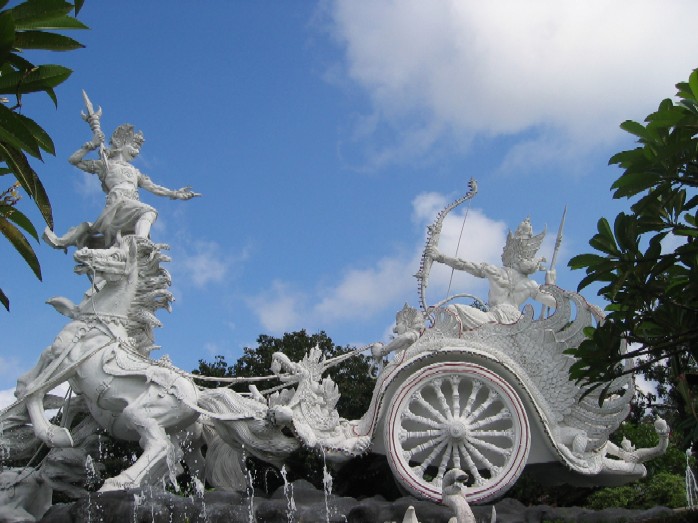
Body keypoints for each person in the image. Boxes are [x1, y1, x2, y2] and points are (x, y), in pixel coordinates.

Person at [44, 124, 199, 250]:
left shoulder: (135, 171)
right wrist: (92, 144)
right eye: (133, 146)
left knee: (146, 215)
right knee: (149, 211)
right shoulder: (106, 165)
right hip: (117, 204)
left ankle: (137, 244)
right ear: (121, 144)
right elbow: (74, 160)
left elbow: (155, 188)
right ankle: (140, 242)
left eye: (138, 149)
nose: (136, 152)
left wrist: (176, 194)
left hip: (131, 204)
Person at [427, 217, 556, 329]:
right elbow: (554, 303)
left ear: (510, 253)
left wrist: (440, 257)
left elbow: (464, 264)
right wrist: (551, 285)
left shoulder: (495, 271)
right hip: (517, 323)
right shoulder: (530, 285)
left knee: (453, 310)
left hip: (493, 319)